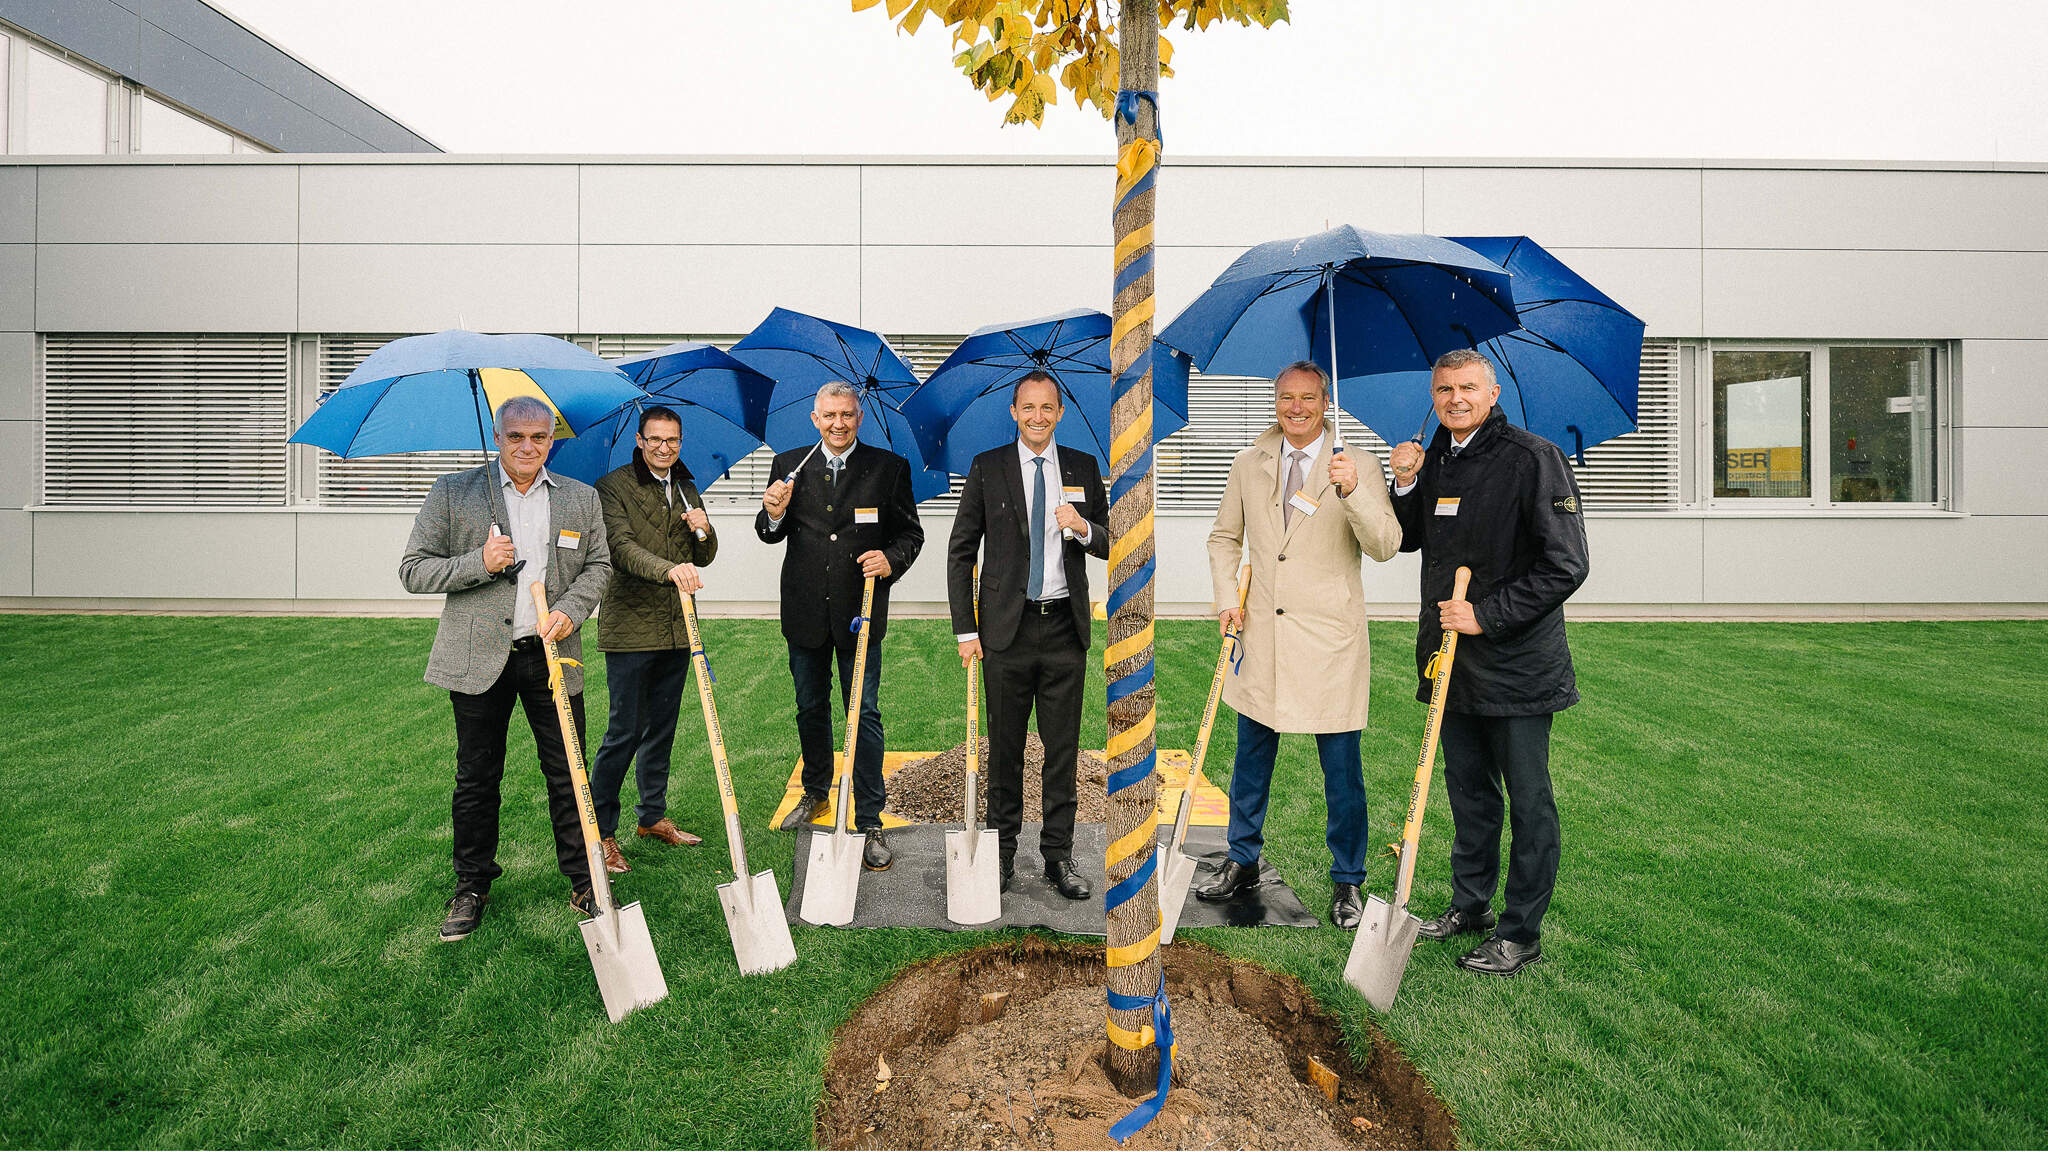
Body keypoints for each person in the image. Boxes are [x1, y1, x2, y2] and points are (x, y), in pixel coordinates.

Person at [1388, 347, 1589, 976]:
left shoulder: (1534, 459)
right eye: (1444, 389)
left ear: (1493, 392)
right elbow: (1410, 537)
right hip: (1452, 664)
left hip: (1518, 663)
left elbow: (1567, 564)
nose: (1455, 399)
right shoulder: (1438, 458)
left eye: (1468, 388)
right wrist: (1405, 482)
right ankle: (1469, 906)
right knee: (1469, 795)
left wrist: (1488, 615)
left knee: (1529, 801)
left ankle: (1520, 931)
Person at [399, 395, 612, 943]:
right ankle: (472, 886)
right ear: (498, 438)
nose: (527, 447)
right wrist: (480, 563)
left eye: (538, 437)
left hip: (552, 656)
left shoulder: (581, 499)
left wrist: (569, 610)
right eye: (516, 436)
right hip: (477, 661)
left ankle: (585, 880)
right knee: (476, 778)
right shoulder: (454, 493)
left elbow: (599, 567)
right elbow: (413, 571)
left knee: (569, 773)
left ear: (551, 441)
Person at [1199, 360, 1402, 930]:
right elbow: (1223, 537)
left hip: (1329, 639)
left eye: (1307, 398)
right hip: (1259, 632)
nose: (1296, 408)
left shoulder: (1357, 463)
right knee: (1250, 758)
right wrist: (1225, 598)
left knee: (1342, 772)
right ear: (1275, 401)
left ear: (1326, 401)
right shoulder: (1249, 462)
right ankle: (1242, 860)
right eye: (1286, 397)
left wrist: (1354, 491)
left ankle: (1347, 881)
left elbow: (1386, 545)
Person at [946, 371, 1109, 899]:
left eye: (1048, 408)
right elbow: (961, 551)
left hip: (1064, 628)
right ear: (1014, 413)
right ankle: (1001, 854)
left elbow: (1109, 541)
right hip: (1004, 634)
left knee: (1063, 751)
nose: (1038, 417)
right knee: (1006, 749)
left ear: (1059, 413)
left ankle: (1059, 857)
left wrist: (1081, 528)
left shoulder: (1082, 467)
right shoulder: (988, 467)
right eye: (1028, 408)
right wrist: (967, 630)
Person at [758, 381, 924, 870]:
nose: (837, 423)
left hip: (861, 612)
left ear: (859, 417)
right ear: (815, 418)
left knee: (863, 713)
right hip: (805, 612)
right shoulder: (790, 464)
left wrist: (890, 558)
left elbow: (911, 532)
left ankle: (870, 817)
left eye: (847, 415)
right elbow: (771, 533)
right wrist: (773, 513)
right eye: (829, 415)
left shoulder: (888, 469)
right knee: (810, 707)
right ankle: (815, 793)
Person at [588, 406, 718, 875]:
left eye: (673, 441)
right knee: (625, 732)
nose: (665, 448)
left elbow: (704, 554)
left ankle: (652, 817)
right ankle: (601, 832)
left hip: (677, 629)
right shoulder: (613, 487)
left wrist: (701, 527)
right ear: (641, 441)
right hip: (630, 629)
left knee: (662, 728)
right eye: (656, 440)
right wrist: (668, 568)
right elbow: (620, 549)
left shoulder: (684, 485)